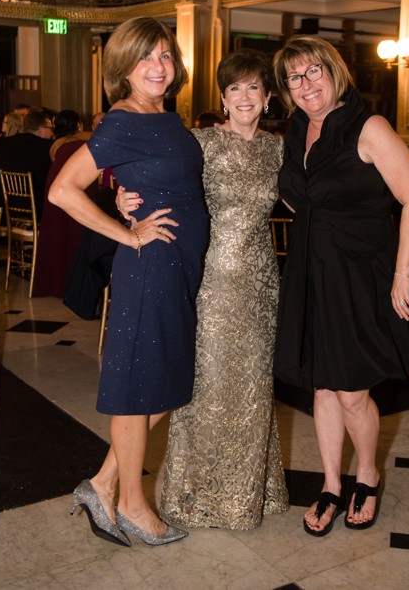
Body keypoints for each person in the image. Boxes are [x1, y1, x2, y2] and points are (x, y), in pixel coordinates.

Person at [49, 17, 207, 547]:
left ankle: (102, 483)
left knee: (166, 382)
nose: (158, 67)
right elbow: (64, 190)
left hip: (179, 267)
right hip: (151, 268)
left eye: (164, 55)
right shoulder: (122, 120)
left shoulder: (164, 116)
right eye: (145, 58)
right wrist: (128, 234)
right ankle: (134, 504)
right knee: (140, 390)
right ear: (124, 67)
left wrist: (126, 196)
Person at [118, 49, 289, 529]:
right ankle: (196, 495)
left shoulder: (278, 149)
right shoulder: (200, 144)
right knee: (203, 386)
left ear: (268, 96)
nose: (243, 96)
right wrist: (123, 194)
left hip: (260, 282)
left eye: (253, 87)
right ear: (222, 96)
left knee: (253, 386)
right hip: (209, 277)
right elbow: (150, 172)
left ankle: (249, 493)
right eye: (234, 88)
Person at [272, 35, 409, 536]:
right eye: (295, 77)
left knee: (351, 393)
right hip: (309, 269)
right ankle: (330, 485)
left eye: (313, 71)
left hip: (359, 274)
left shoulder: (369, 126)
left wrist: (403, 272)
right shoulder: (295, 131)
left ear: (334, 71)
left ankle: (367, 473)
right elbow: (300, 200)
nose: (306, 84)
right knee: (322, 386)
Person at [32, 110, 93, 299]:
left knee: (58, 230)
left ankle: (58, 281)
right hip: (79, 185)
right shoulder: (88, 140)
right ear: (79, 125)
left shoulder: (55, 145)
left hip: (56, 184)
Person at [0, 107, 54, 219]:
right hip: (35, 212)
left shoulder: (1, 143)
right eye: (51, 128)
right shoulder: (49, 148)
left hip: (3, 209)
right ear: (41, 129)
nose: (52, 133)